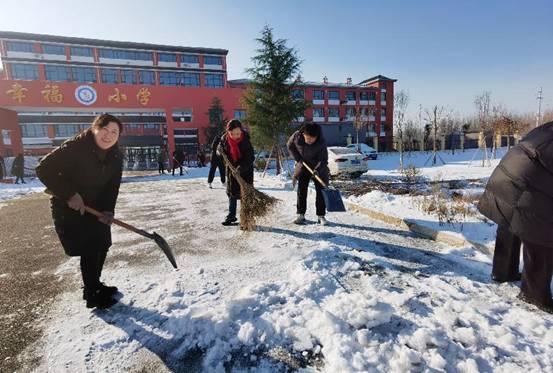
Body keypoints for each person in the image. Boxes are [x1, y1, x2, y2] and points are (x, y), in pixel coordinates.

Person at [36, 114, 124, 309]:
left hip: (96, 208)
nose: (108, 136)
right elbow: (43, 168)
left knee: (103, 244)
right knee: (90, 249)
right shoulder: (76, 147)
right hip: (69, 208)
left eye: (114, 132)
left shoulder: (116, 156)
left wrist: (108, 210)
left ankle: (95, 285)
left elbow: (112, 187)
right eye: (105, 130)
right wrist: (70, 194)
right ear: (95, 128)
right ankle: (92, 293)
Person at [478, 121, 553, 313]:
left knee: (510, 221)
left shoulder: (547, 128)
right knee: (541, 235)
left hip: (508, 171)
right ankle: (533, 294)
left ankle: (502, 272)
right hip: (529, 179)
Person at [287, 122, 330, 226]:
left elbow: (324, 159)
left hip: (318, 168)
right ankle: (300, 214)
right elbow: (290, 146)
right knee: (301, 190)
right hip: (303, 165)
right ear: (303, 134)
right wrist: (298, 159)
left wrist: (317, 169)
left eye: (312, 139)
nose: (310, 141)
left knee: (320, 191)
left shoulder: (321, 142)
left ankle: (321, 216)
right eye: (308, 138)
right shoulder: (297, 137)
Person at [217, 119, 254, 226]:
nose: (238, 135)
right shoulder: (224, 139)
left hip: (245, 170)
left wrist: (241, 167)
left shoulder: (245, 140)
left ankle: (246, 218)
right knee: (232, 193)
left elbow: (250, 157)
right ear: (229, 132)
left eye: (239, 133)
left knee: (245, 194)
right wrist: (218, 151)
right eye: (235, 134)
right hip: (232, 170)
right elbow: (220, 150)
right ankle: (231, 215)